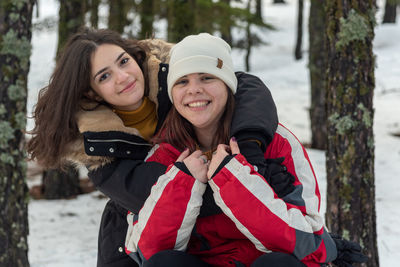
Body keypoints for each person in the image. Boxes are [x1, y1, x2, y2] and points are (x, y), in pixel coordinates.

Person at [26, 28, 283, 267]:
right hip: (141, 245)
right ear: (91, 93)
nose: (123, 76)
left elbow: (246, 86)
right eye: (104, 76)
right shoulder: (97, 151)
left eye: (123, 61)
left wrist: (249, 149)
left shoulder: (174, 78)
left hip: (223, 241)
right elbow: (173, 200)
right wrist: (254, 181)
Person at [124, 33, 366, 267]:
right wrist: (183, 181)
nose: (194, 89)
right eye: (182, 81)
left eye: (207, 77)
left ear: (228, 85)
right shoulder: (163, 154)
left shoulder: (276, 143)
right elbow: (144, 252)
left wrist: (233, 180)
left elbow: (308, 243)